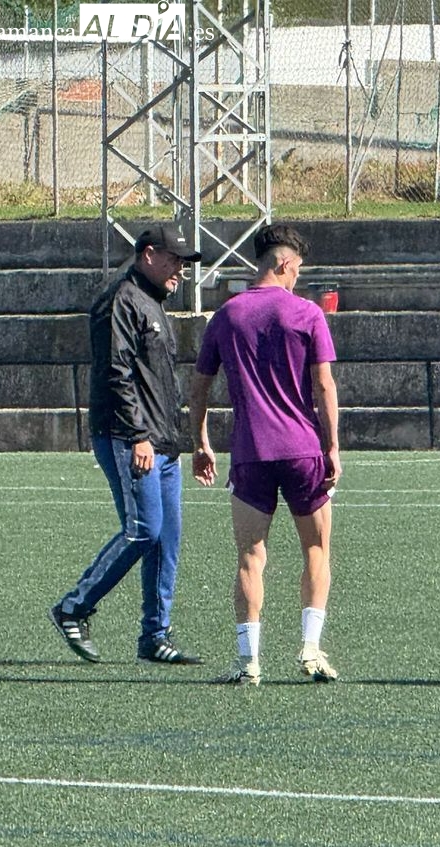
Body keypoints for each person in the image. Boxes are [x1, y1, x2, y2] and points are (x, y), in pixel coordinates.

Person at [190, 223, 342, 686]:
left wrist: (200, 442)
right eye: (296, 270)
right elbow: (323, 384)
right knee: (316, 549)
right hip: (302, 450)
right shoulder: (307, 314)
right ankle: (311, 650)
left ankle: (248, 661)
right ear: (283, 263)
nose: (297, 278)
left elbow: (199, 387)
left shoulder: (227, 316)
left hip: (251, 452)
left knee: (249, 556)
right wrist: (332, 444)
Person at [49, 223, 204, 666]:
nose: (180, 270)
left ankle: (155, 635)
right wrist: (137, 436)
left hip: (162, 442)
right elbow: (116, 374)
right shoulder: (121, 300)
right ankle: (73, 607)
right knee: (143, 530)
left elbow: (157, 381)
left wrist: (178, 442)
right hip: (129, 438)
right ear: (149, 255)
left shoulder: (153, 301)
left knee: (166, 540)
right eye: (175, 260)